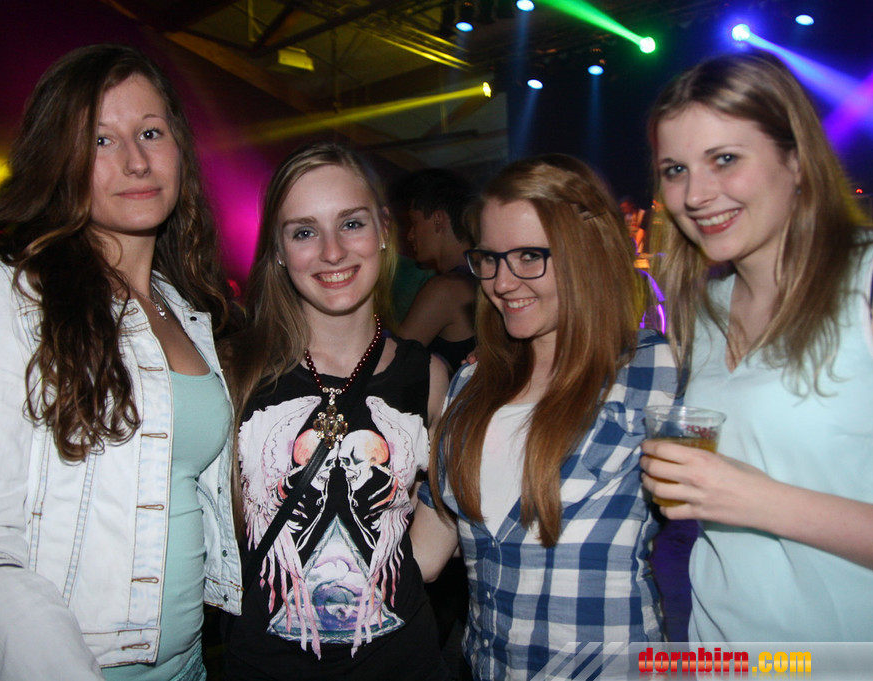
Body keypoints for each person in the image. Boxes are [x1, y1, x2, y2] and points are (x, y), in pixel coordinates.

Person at [0, 44, 242, 681]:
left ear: (179, 145)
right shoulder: (8, 295)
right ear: (59, 159)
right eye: (100, 140)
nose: (136, 161)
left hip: (191, 666)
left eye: (151, 132)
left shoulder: (187, 311)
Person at [641, 50, 873, 642]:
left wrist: (758, 501)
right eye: (675, 170)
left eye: (725, 159)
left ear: (797, 160)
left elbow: (746, 498)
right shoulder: (706, 309)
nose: (695, 194)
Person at [411, 154, 680, 680]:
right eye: (490, 259)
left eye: (529, 256)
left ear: (589, 252)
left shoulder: (655, 371)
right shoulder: (472, 385)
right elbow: (425, 553)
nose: (502, 282)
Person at [220, 142, 451, 680]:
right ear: (278, 250)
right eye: (304, 232)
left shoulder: (430, 377)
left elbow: (435, 536)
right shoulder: (234, 372)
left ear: (384, 230)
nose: (332, 251)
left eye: (351, 223)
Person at [395, 168, 478, 374]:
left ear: (438, 219)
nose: (410, 235)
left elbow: (391, 364)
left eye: (414, 223)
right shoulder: (479, 278)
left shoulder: (446, 288)